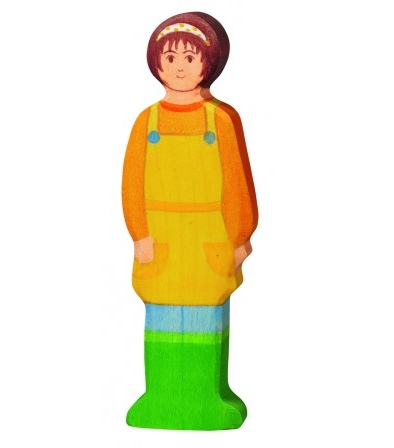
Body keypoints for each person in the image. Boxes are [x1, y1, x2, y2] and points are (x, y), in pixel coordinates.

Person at [122, 11, 258, 430]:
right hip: (160, 241)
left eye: (189, 57)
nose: (179, 66)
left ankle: (207, 397)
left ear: (208, 63)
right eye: (170, 57)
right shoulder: (146, 122)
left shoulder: (221, 120)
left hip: (207, 239)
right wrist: (139, 234)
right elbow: (131, 184)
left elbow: (237, 183)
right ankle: (160, 397)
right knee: (161, 318)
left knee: (206, 319)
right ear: (157, 63)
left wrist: (241, 235)